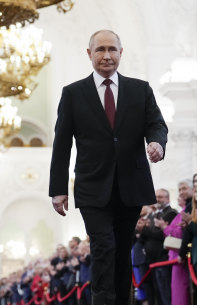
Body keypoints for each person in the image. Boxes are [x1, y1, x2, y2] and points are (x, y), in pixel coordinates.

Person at [49, 29, 168, 305]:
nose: (107, 55)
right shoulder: (73, 93)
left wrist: (157, 143)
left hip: (131, 183)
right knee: (104, 247)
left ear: (121, 53)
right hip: (92, 186)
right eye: (100, 50)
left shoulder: (141, 89)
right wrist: (58, 189)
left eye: (112, 49)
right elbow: (62, 143)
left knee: (122, 250)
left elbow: (156, 124)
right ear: (89, 54)